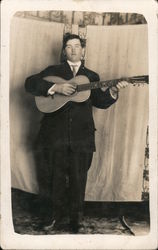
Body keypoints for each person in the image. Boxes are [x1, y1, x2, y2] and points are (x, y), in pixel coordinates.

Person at [25, 33, 128, 233]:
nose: (73, 49)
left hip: (82, 137)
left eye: (77, 46)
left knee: (79, 178)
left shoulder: (91, 76)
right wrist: (56, 87)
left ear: (82, 50)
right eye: (69, 46)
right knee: (53, 177)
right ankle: (52, 216)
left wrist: (113, 91)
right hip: (55, 136)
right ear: (64, 51)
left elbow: (100, 102)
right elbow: (30, 84)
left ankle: (76, 220)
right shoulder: (53, 71)